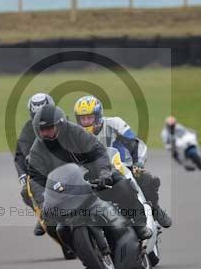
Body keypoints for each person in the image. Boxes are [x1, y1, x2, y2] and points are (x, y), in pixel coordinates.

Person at [26, 104, 153, 241]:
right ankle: (76, 246)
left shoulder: (76, 132)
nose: (46, 133)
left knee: (122, 185)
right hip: (66, 186)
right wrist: (43, 202)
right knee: (55, 224)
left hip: (93, 174)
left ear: (60, 125)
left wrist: (104, 173)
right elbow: (36, 179)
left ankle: (140, 225)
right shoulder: (37, 151)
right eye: (42, 130)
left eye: (50, 128)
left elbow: (98, 152)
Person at [72, 95, 172, 229]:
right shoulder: (76, 135)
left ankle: (155, 208)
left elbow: (136, 145)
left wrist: (138, 163)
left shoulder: (115, 124)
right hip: (95, 175)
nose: (86, 122)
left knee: (147, 180)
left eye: (89, 117)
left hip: (122, 167)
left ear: (98, 116)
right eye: (83, 119)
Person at [14, 92, 54, 236]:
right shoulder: (27, 130)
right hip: (40, 170)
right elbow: (20, 155)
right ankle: (42, 215)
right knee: (26, 191)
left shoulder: (62, 122)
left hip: (64, 165)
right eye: (37, 114)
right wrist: (23, 174)